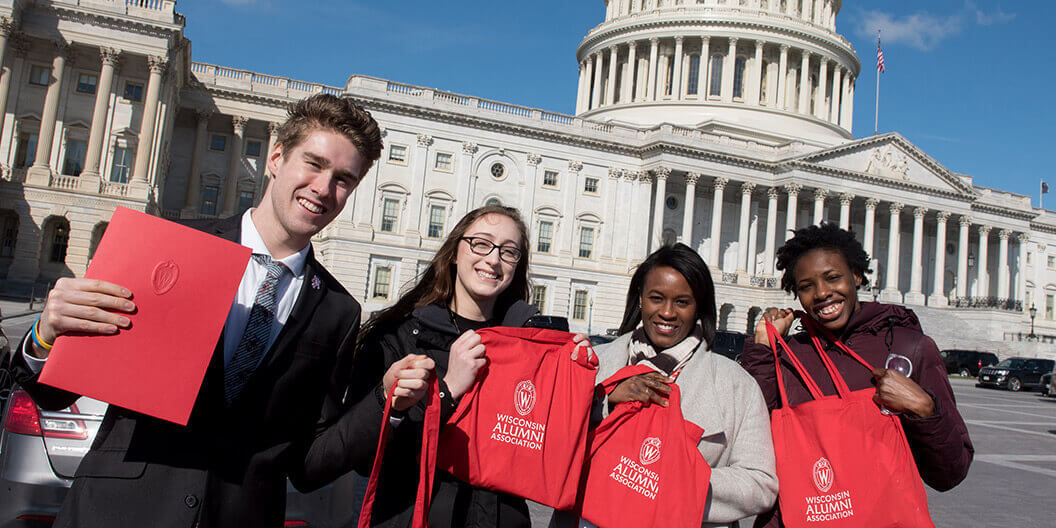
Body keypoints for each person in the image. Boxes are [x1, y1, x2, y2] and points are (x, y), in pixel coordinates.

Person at [8, 94, 432, 527]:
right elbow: (53, 393)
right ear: (277, 157)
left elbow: (307, 462)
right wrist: (46, 333)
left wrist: (384, 401)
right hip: (122, 508)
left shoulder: (339, 310)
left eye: (344, 179)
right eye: (314, 164)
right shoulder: (168, 246)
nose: (324, 189)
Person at [740, 223, 973, 527]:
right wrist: (762, 348)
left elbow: (949, 474)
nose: (822, 293)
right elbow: (750, 442)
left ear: (857, 275)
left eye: (833, 277)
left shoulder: (911, 348)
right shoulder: (788, 354)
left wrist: (925, 409)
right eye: (806, 285)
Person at [349, 204, 550, 528]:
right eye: (481, 244)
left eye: (509, 252)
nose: (494, 259)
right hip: (411, 515)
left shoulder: (531, 349)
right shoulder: (397, 335)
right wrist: (447, 389)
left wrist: (581, 380)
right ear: (455, 251)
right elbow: (360, 454)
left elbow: (546, 452)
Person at [556, 243, 778, 528]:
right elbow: (551, 444)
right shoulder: (591, 364)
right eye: (656, 298)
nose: (668, 312)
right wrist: (605, 400)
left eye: (682, 302)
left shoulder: (737, 385)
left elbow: (761, 484)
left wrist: (676, 481)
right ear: (640, 299)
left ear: (698, 306)